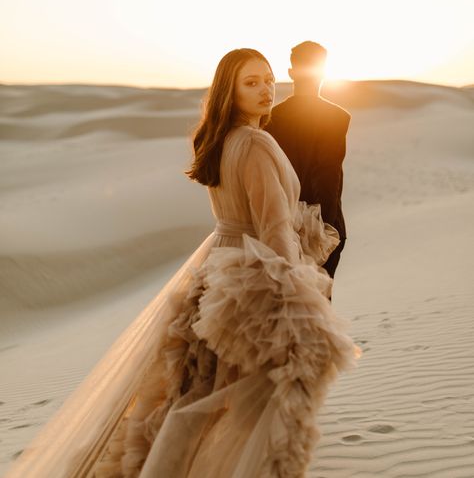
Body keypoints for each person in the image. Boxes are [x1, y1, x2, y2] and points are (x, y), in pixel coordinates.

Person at [6, 48, 359, 478]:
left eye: (268, 79)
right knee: (243, 401)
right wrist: (296, 302)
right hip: (252, 273)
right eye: (251, 82)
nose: (266, 89)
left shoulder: (221, 139)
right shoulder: (256, 142)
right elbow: (274, 229)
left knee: (193, 391)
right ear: (230, 90)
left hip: (218, 264)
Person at [265, 41, 351, 282]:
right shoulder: (337, 117)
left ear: (291, 72)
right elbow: (328, 174)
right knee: (319, 307)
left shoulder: (271, 119)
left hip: (283, 231)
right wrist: (325, 232)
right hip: (326, 228)